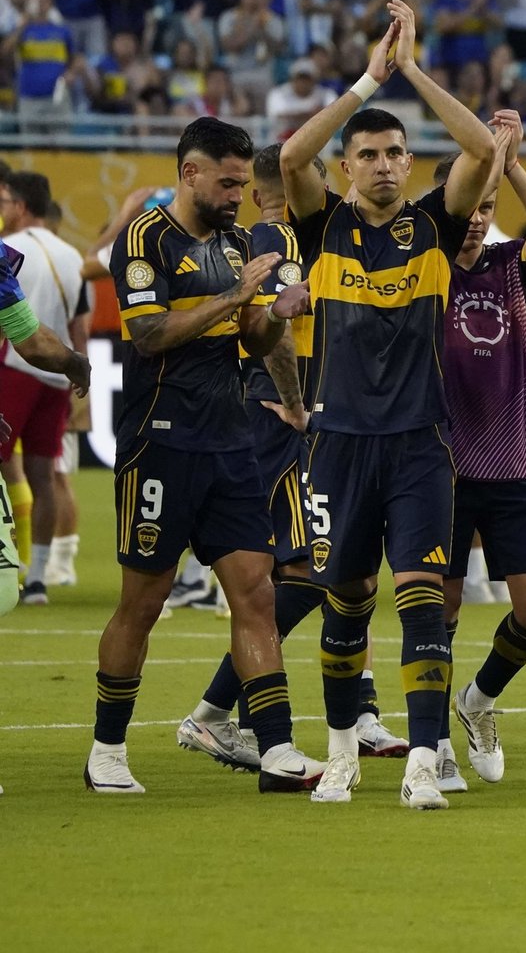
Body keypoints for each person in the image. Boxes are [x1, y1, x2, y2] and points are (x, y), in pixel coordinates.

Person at [279, 0, 499, 810]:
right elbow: (289, 153)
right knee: (344, 602)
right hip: (337, 442)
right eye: (367, 153)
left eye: (395, 153)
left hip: (417, 445)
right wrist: (369, 75)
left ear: (411, 164)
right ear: (347, 169)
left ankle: (423, 759)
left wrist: (412, 71)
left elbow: (481, 148)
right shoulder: (323, 228)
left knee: (420, 599)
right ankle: (340, 753)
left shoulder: (436, 228)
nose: (381, 164)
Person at [89, 117, 321, 795]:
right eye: (226, 182)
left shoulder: (234, 240)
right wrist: (234, 295)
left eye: (243, 183)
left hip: (230, 440)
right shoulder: (144, 238)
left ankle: (275, 748)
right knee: (145, 599)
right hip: (161, 440)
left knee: (254, 589)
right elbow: (150, 333)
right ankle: (107, 749)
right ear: (189, 173)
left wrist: (276, 314)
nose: (236, 194)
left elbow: (251, 336)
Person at [176, 145, 407, 772]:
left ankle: (344, 711)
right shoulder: (278, 233)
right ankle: (214, 714)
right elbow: (274, 324)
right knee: (315, 570)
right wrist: (296, 404)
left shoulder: (304, 235)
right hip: (279, 420)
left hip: (292, 416)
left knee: (337, 563)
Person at [435, 111, 526, 790]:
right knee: (440, 607)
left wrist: (511, 164)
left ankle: (480, 700)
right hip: (442, 466)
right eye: (468, 203)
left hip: (514, 461)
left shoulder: (510, 266)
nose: (475, 217)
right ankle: (430, 741)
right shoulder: (421, 272)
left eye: (486, 206)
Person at [0, 171, 83, 607]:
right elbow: (78, 324)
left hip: (16, 368)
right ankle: (36, 578)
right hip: (56, 375)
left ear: (21, 205)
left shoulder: (13, 251)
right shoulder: (72, 256)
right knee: (45, 476)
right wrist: (75, 368)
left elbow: (19, 331)